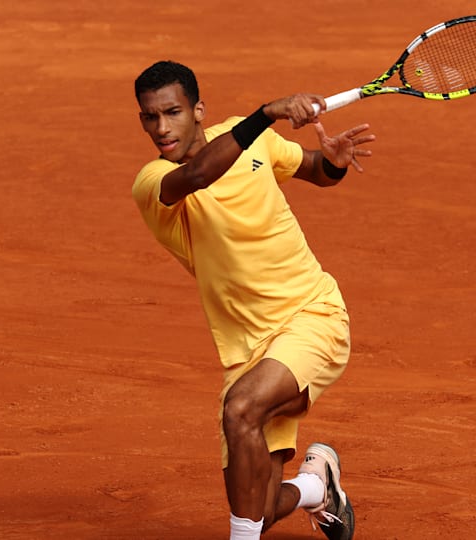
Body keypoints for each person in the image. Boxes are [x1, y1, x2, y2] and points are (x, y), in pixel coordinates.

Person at [131, 60, 376, 540]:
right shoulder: (152, 182)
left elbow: (315, 171)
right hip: (246, 354)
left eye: (172, 112)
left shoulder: (256, 143)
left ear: (198, 110)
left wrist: (334, 162)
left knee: (240, 410)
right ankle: (315, 486)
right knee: (258, 510)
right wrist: (267, 112)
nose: (161, 128)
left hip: (312, 316)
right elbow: (200, 174)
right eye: (149, 117)